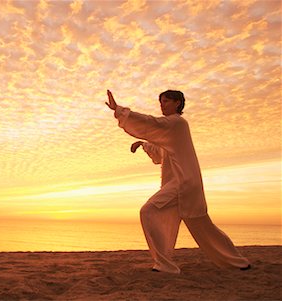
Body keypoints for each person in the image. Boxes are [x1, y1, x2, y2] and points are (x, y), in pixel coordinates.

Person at [105, 89, 251, 273]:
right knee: (205, 228)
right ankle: (238, 263)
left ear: (177, 103)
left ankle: (164, 264)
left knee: (149, 211)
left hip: (183, 184)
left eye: (166, 101)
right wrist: (143, 144)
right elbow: (161, 152)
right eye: (160, 101)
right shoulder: (171, 130)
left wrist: (119, 110)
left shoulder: (177, 123)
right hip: (184, 185)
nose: (162, 105)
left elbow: (152, 123)